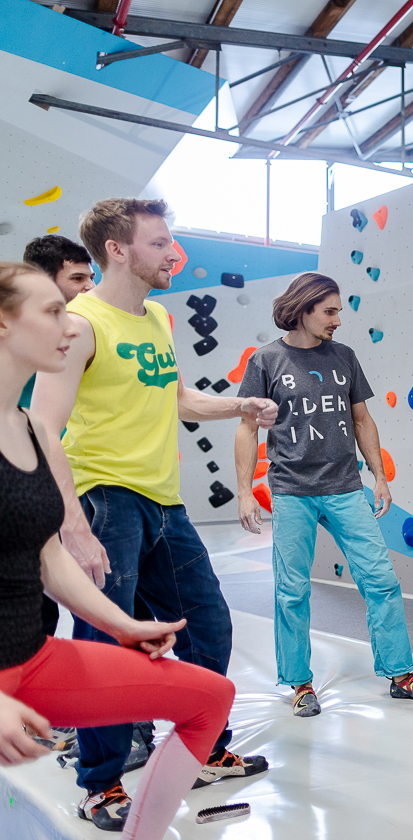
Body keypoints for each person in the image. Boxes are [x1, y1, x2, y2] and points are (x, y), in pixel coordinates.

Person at [29, 198, 278, 831]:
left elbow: (181, 398)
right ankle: (101, 783)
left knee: (209, 627)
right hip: (105, 497)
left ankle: (201, 746)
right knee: (106, 640)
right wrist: (74, 525)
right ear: (118, 249)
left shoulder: (161, 318)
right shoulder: (82, 324)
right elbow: (44, 425)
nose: (174, 254)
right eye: (161, 243)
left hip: (165, 500)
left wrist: (243, 406)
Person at [0, 261, 236, 840]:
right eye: (53, 311)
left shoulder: (29, 429)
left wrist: (124, 624)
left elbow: (48, 558)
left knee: (211, 698)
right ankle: (100, 781)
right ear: (4, 324)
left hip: (30, 660)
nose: (70, 322)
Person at [234, 271, 413, 717]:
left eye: (339, 312)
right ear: (303, 308)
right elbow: (247, 428)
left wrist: (379, 475)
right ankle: (300, 684)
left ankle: (400, 674)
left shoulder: (344, 356)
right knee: (292, 591)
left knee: (380, 580)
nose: (337, 320)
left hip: (346, 487)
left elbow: (362, 420)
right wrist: (245, 492)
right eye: (329, 312)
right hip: (291, 489)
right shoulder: (266, 360)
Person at [20, 234, 97, 639]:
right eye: (78, 279)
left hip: (63, 476)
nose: (89, 288)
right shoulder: (24, 345)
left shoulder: (78, 339)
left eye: (91, 278)